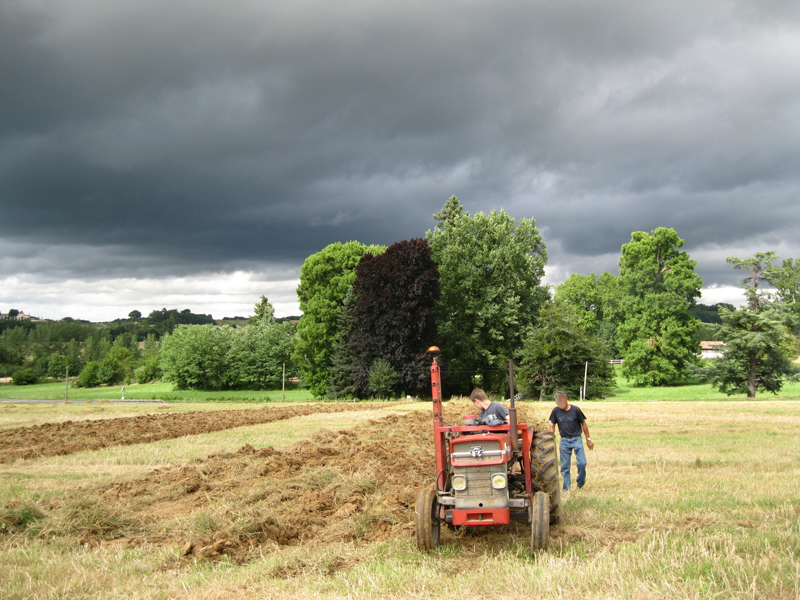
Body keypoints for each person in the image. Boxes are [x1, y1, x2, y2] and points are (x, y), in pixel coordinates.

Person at [548, 391, 594, 492]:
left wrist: (588, 439)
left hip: (577, 439)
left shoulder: (576, 410)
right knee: (565, 467)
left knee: (582, 463)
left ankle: (580, 482)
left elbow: (584, 424)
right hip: (564, 440)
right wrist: (551, 438)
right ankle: (567, 489)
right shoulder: (556, 411)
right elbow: (552, 425)